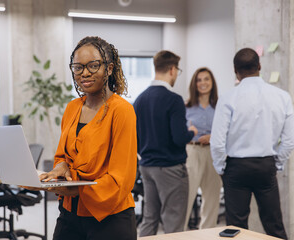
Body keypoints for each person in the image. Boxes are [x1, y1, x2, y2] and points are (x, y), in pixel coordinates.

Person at [25, 36, 138, 240]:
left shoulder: (122, 111)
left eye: (93, 66)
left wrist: (76, 190)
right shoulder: (72, 108)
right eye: (78, 67)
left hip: (110, 217)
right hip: (70, 213)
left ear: (109, 68)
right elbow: (63, 156)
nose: (84, 73)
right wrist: (61, 168)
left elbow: (121, 178)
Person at [210, 48, 294, 239]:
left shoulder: (228, 98)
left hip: (236, 167)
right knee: (274, 225)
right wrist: (277, 163)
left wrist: (221, 167)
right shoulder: (282, 96)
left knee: (235, 229)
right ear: (259, 66)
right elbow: (289, 140)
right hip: (266, 165)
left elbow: (217, 142)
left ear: (235, 70)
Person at [134, 50, 198, 236]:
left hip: (146, 167)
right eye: (177, 70)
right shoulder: (174, 100)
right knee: (173, 222)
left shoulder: (139, 100)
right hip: (170, 169)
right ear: (172, 69)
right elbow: (179, 138)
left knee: (149, 218)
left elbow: (135, 139)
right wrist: (191, 132)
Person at [184, 67, 222, 230]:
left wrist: (212, 137)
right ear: (195, 84)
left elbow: (226, 130)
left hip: (213, 153)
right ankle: (181, 233)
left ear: (212, 83)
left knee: (212, 200)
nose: (203, 83)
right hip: (191, 152)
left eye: (206, 79)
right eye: (199, 80)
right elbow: (179, 132)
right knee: (187, 197)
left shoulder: (220, 106)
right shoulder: (186, 106)